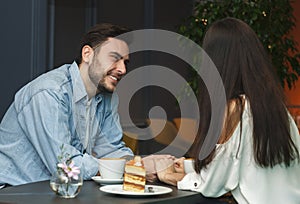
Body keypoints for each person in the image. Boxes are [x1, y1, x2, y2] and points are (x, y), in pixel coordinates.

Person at [154, 17, 300, 203]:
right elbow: (247, 166)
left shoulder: (234, 109)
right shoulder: (275, 109)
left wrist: (168, 176)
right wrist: (190, 167)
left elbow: (213, 185)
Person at [0, 23, 134, 186]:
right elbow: (66, 166)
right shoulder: (49, 92)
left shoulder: (107, 97)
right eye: (114, 58)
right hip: (13, 192)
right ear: (87, 54)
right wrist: (124, 167)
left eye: (125, 62)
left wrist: (143, 166)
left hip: (57, 190)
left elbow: (111, 149)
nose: (122, 69)